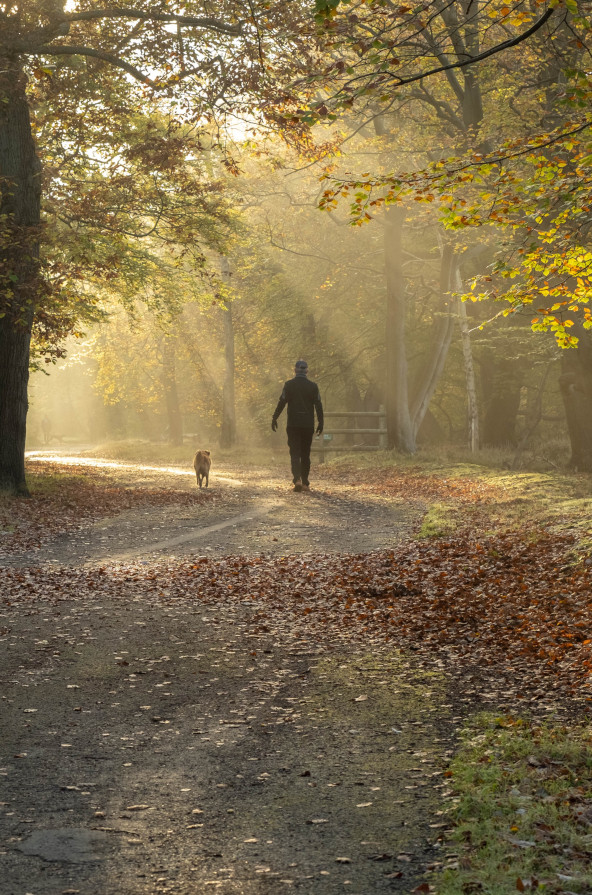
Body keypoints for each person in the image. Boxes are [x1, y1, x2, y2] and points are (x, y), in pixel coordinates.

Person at [272, 360, 323, 492]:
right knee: (306, 454)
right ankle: (305, 482)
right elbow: (318, 405)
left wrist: (275, 417)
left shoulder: (289, 385)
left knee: (295, 453)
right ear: (307, 371)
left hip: (293, 424)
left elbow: (282, 402)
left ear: (294, 370)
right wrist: (321, 422)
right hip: (307, 424)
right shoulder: (313, 386)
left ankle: (297, 479)